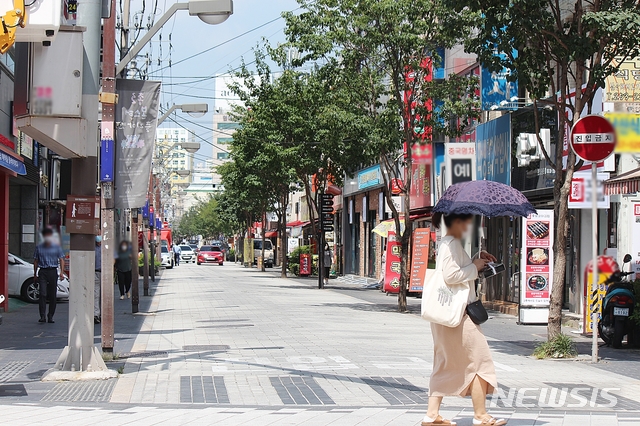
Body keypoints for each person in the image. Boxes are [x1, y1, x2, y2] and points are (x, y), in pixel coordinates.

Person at [422, 212, 505, 426]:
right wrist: (474, 267)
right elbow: (452, 276)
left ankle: (432, 415)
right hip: (458, 315)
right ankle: (480, 415)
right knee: (479, 360)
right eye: (467, 221)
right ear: (456, 222)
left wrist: (476, 258)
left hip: (445, 315)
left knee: (443, 362)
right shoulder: (451, 244)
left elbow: (456, 270)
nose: (470, 225)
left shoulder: (448, 243)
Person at [33, 228, 65, 324]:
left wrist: (61, 272)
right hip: (43, 271)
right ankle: (42, 315)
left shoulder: (56, 247)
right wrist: (34, 274)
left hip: (52, 271)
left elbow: (61, 259)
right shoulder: (39, 247)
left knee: (52, 295)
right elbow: (35, 261)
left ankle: (50, 315)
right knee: (42, 293)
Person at [94, 236, 102, 324]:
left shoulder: (105, 248)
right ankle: (96, 314)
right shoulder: (93, 249)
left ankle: (101, 313)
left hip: (104, 273)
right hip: (95, 272)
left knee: (103, 294)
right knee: (96, 294)